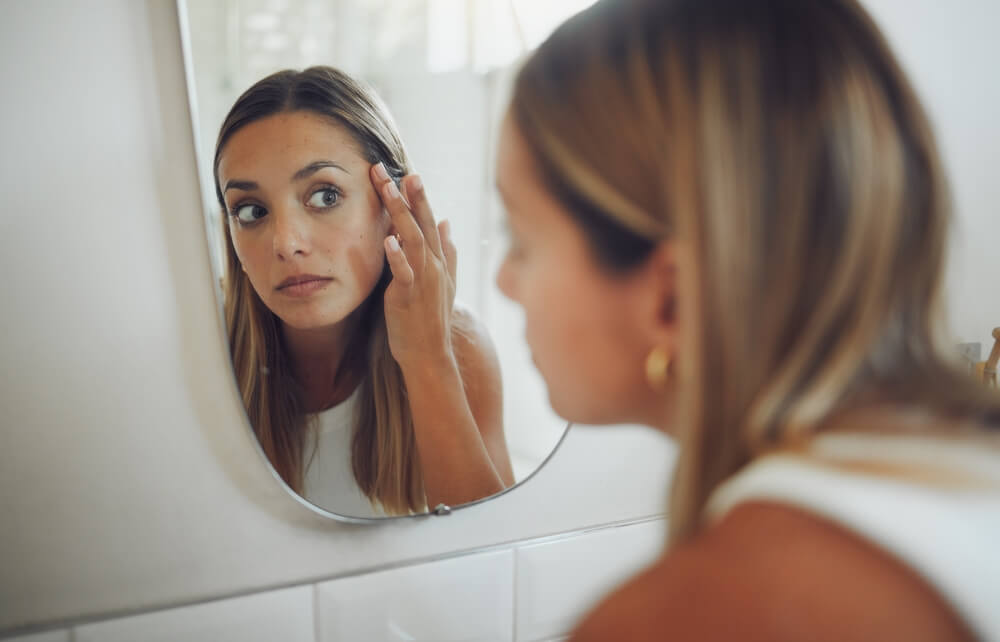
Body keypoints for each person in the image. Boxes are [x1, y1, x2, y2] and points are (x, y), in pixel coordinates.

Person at [495, 0, 1000, 639]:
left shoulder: (699, 617)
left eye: (520, 238)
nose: (503, 282)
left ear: (670, 299)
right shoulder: (967, 476)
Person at [213, 66, 513, 517]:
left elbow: (495, 556)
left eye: (325, 196)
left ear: (394, 208)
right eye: (251, 210)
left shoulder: (461, 347)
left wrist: (428, 359)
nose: (287, 243)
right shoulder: (201, 356)